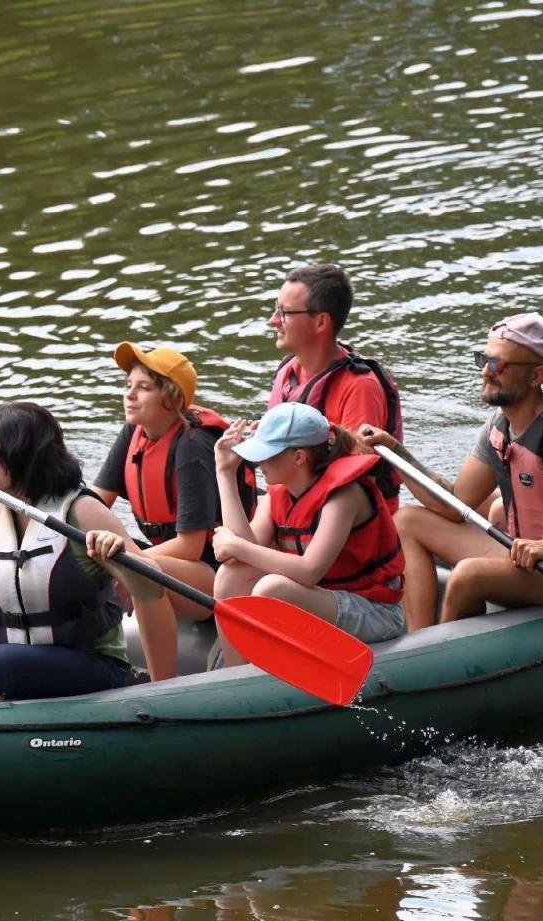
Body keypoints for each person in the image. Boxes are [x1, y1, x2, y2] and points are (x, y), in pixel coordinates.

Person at [365, 313, 543, 632]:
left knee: (467, 575)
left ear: (537, 375)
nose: (485, 371)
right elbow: (455, 503)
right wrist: (396, 451)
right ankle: (417, 641)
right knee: (409, 520)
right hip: (524, 554)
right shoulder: (500, 427)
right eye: (484, 359)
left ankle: (440, 658)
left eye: (499, 365)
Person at [0, 401, 168, 705]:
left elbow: (153, 587)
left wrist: (119, 558)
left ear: (26, 457)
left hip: (84, 655)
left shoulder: (82, 511)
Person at [91, 341, 252, 678]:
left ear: (174, 399)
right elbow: (92, 503)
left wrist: (125, 561)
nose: (129, 395)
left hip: (213, 574)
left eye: (144, 388)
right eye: (128, 386)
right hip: (176, 563)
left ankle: (162, 685)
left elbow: (191, 547)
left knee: (130, 564)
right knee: (99, 555)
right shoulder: (133, 433)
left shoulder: (193, 445)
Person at [210, 403, 405, 667]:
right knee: (231, 574)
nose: (258, 462)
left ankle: (269, 675)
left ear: (299, 457)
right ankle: (237, 679)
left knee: (271, 589)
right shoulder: (280, 491)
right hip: (322, 596)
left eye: (267, 454)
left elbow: (309, 570)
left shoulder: (344, 495)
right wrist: (225, 473)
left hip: (376, 610)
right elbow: (240, 554)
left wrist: (236, 547)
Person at [266, 263, 404, 507]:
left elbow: (356, 481)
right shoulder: (286, 372)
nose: (273, 321)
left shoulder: (360, 387)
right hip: (290, 511)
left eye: (285, 313)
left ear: (321, 322)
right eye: (276, 310)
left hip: (345, 529)